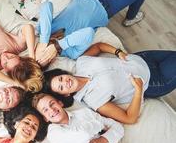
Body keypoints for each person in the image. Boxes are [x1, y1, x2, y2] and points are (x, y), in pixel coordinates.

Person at [35, 0, 148, 65]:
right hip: (106, 8)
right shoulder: (71, 53)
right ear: (52, 60)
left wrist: (44, 40)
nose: (46, 54)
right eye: (47, 59)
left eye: (42, 54)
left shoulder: (44, 30)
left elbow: (46, 6)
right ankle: (131, 17)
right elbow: (88, 33)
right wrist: (58, 45)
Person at [43, 42, 176, 124]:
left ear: (63, 73)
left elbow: (98, 46)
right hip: (153, 80)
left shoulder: (81, 63)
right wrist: (139, 91)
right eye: (61, 88)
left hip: (141, 58)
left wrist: (118, 52)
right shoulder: (94, 101)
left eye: (61, 78)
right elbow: (129, 118)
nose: (65, 82)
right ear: (66, 95)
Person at [32, 93, 131, 143]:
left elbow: (118, 127)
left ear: (60, 103)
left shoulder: (84, 113)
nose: (51, 110)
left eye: (52, 103)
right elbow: (83, 135)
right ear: (45, 118)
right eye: (45, 110)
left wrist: (105, 139)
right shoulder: (53, 133)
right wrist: (98, 124)